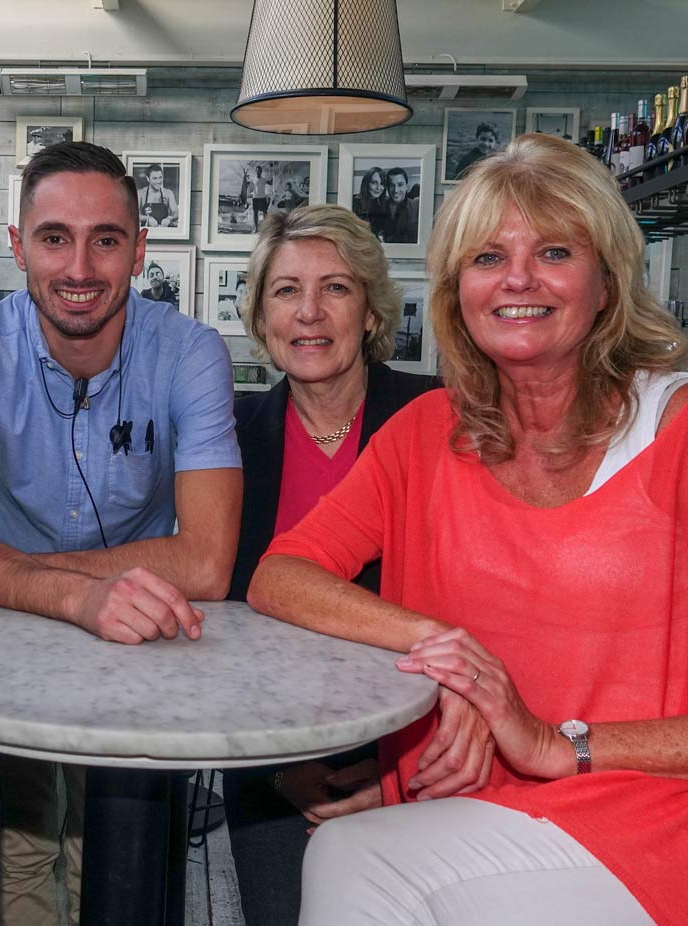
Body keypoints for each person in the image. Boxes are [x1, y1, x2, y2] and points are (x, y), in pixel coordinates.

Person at [249, 133, 688, 925]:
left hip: (666, 828)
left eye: (556, 251)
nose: (519, 280)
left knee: (353, 860)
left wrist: (561, 745)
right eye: (487, 258)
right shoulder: (425, 432)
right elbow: (281, 575)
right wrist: (451, 652)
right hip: (474, 818)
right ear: (456, 290)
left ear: (607, 282)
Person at [0, 140, 241, 926]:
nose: (79, 267)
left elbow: (206, 561)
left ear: (139, 250)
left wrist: (35, 577)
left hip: (130, 627)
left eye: (106, 239)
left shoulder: (192, 352)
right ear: (17, 247)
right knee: (23, 830)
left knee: (117, 839)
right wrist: (66, 594)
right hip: (11, 629)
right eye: (54, 237)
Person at [222, 204, 438, 924]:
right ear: (261, 316)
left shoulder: (436, 416)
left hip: (415, 745)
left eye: (336, 289)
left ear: (373, 313)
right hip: (267, 750)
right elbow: (222, 614)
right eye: (285, 291)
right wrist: (284, 767)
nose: (309, 313)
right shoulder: (231, 434)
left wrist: (401, 770)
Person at [382, 167, 418, 244]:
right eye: (392, 185)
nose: (396, 190)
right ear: (387, 188)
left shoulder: (417, 208)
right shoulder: (379, 207)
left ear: (407, 187)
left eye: (400, 185)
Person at [138, 163, 179, 228]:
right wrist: (147, 218)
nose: (158, 181)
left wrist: (169, 218)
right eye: (155, 178)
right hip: (146, 233)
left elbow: (175, 213)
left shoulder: (168, 193)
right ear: (148, 178)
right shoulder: (140, 194)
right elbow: (133, 215)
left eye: (160, 178)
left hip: (163, 232)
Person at [352, 168, 389, 239]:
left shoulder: (382, 204)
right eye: (374, 183)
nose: (378, 187)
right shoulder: (354, 202)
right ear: (366, 183)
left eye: (382, 184)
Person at [249, 164, 272, 230]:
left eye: (260, 171)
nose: (258, 172)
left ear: (261, 172)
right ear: (256, 171)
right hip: (255, 198)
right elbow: (250, 189)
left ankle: (266, 227)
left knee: (265, 212)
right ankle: (256, 228)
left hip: (262, 198)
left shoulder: (264, 179)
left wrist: (272, 178)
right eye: (257, 171)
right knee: (255, 213)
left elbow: (270, 183)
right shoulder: (252, 180)